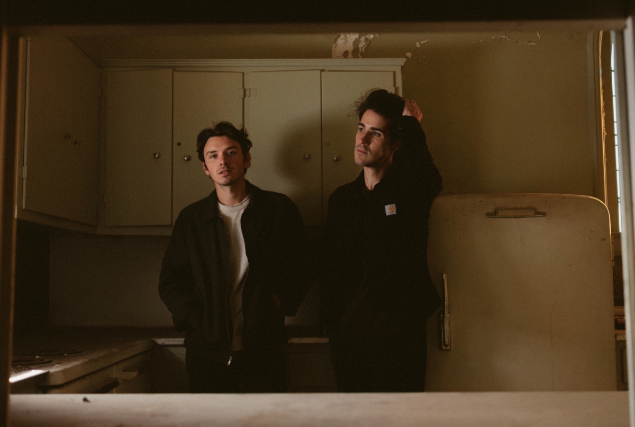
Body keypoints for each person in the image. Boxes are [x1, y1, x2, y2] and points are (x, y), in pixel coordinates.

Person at [159, 121, 311, 393]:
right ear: (205, 168)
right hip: (207, 352)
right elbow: (172, 281)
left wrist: (280, 302)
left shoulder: (277, 209)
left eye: (231, 152)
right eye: (213, 155)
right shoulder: (192, 219)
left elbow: (303, 265)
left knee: (267, 416)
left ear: (246, 159)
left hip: (264, 348)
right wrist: (195, 321)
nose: (223, 161)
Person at [320, 89, 443, 392]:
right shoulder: (342, 199)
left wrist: (410, 123)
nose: (362, 140)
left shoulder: (409, 193)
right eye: (361, 128)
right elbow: (330, 265)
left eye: (375, 133)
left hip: (398, 335)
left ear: (396, 144)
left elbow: (430, 178)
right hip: (348, 335)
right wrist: (334, 320)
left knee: (402, 414)